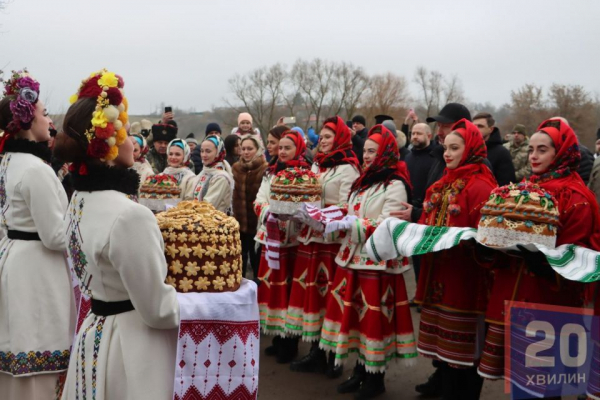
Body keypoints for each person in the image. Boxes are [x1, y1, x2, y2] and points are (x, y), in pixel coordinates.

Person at [55, 69, 179, 400]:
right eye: (123, 131)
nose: (131, 142)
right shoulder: (129, 215)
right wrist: (216, 305)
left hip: (94, 335)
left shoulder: (79, 199)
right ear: (104, 144)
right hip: (132, 347)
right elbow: (157, 308)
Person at [479, 118, 600, 383]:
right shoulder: (524, 190)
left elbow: (576, 260)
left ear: (562, 152)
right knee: (518, 381)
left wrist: (540, 260)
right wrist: (489, 247)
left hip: (546, 306)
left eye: (542, 150)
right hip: (511, 296)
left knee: (541, 384)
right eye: (531, 149)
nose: (533, 156)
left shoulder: (575, 197)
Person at [320, 125, 417, 399]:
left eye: (372, 152)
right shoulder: (364, 181)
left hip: (378, 265)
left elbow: (390, 221)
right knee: (356, 321)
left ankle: (376, 379)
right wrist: (334, 221)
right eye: (365, 151)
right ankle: (360, 372)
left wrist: (353, 223)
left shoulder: (395, 183)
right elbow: (352, 214)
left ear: (386, 152)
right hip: (353, 261)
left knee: (374, 321)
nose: (366, 157)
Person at [0, 70, 75, 400]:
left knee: (17, 343)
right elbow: (56, 236)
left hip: (13, 257)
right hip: (36, 269)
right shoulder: (34, 169)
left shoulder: (7, 161)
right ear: (28, 120)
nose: (50, 120)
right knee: (37, 350)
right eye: (45, 113)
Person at [415, 119, 497, 399]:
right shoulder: (441, 184)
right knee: (444, 354)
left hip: (465, 282)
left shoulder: (481, 186)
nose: (447, 154)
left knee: (464, 357)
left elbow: (487, 239)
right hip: (438, 277)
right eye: (445, 147)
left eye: (454, 148)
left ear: (471, 149)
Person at [287, 116, 361, 378]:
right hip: (311, 239)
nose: (324, 141)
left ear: (340, 137)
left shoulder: (348, 168)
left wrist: (319, 215)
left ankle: (334, 358)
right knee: (314, 298)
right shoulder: (317, 164)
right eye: (322, 136)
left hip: (331, 242)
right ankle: (316, 353)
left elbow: (347, 207)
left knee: (331, 298)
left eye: (328, 136)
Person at [254, 129, 309, 363]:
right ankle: (276, 337)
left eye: (288, 147)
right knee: (273, 289)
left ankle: (291, 342)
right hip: (272, 238)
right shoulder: (271, 173)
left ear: (298, 149)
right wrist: (271, 212)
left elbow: (310, 202)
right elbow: (259, 200)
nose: (283, 151)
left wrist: (293, 214)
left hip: (295, 242)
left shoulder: (306, 174)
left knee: (290, 291)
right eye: (281, 147)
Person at [232, 135, 268, 281]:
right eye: (243, 149)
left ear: (258, 150)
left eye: (250, 149)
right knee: (239, 259)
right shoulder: (236, 168)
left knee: (256, 261)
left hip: (257, 222)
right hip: (240, 222)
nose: (246, 152)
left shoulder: (264, 169)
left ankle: (258, 291)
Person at [190, 135, 234, 213]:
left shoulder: (221, 177)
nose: (203, 155)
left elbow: (208, 206)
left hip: (216, 223)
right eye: (202, 151)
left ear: (218, 152)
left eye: (208, 151)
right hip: (198, 220)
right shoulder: (204, 172)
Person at [472, 112, 516, 186]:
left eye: (480, 126)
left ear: (491, 129)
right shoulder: (468, 151)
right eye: (473, 126)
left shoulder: (502, 153)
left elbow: (507, 185)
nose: (475, 129)